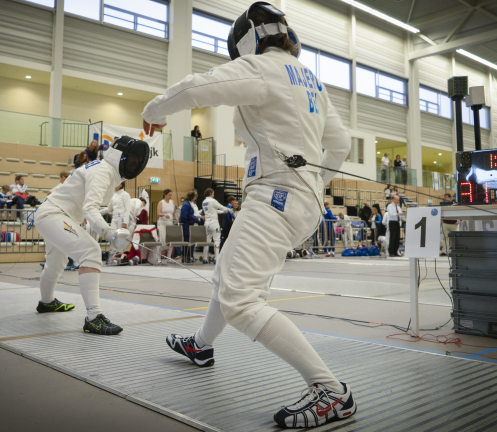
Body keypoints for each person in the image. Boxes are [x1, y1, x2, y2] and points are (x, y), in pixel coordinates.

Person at [142, 3, 355, 426]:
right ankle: (201, 345)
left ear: (246, 40)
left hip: (276, 197)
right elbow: (342, 144)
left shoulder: (262, 68)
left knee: (240, 299)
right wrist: (316, 181)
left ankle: (331, 391)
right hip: (302, 201)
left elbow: (196, 88)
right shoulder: (311, 79)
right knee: (227, 272)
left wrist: (153, 112)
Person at [34, 136, 148, 335]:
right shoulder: (103, 171)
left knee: (56, 263)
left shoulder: (104, 169)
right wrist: (110, 233)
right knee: (91, 252)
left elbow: (78, 198)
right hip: (54, 214)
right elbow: (90, 208)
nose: (135, 163)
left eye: (137, 161)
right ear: (120, 156)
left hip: (54, 214)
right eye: (132, 159)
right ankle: (94, 317)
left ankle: (46, 302)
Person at [202, 188, 231, 263]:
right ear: (210, 193)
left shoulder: (204, 202)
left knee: (207, 241)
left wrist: (222, 212)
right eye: (213, 193)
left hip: (206, 223)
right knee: (217, 240)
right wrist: (230, 210)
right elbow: (221, 207)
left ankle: (205, 258)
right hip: (214, 223)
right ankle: (216, 259)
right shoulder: (213, 201)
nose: (213, 194)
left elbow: (213, 211)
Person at [105, 182, 132, 260]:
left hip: (121, 218)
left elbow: (127, 209)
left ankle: (121, 254)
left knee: (120, 237)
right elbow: (109, 208)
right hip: (114, 218)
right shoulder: (114, 195)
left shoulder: (125, 195)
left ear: (120, 185)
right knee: (112, 236)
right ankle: (112, 253)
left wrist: (125, 222)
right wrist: (98, 211)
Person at [178, 189, 203, 263]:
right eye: (195, 197)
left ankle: (189, 256)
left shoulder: (189, 203)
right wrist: (193, 220)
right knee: (186, 241)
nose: (195, 198)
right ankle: (185, 257)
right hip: (186, 225)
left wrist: (195, 220)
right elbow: (184, 216)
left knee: (189, 241)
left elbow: (190, 215)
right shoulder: (186, 204)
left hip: (189, 224)